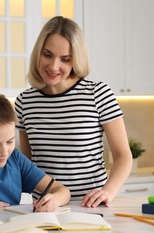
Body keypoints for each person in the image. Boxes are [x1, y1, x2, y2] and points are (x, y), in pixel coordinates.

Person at [14, 16, 132, 208]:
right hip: (45, 207)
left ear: (76, 59)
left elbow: (123, 155)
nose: (53, 66)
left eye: (65, 59)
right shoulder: (24, 102)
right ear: (38, 53)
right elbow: (27, 165)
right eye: (47, 54)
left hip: (90, 207)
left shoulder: (98, 94)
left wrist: (108, 191)